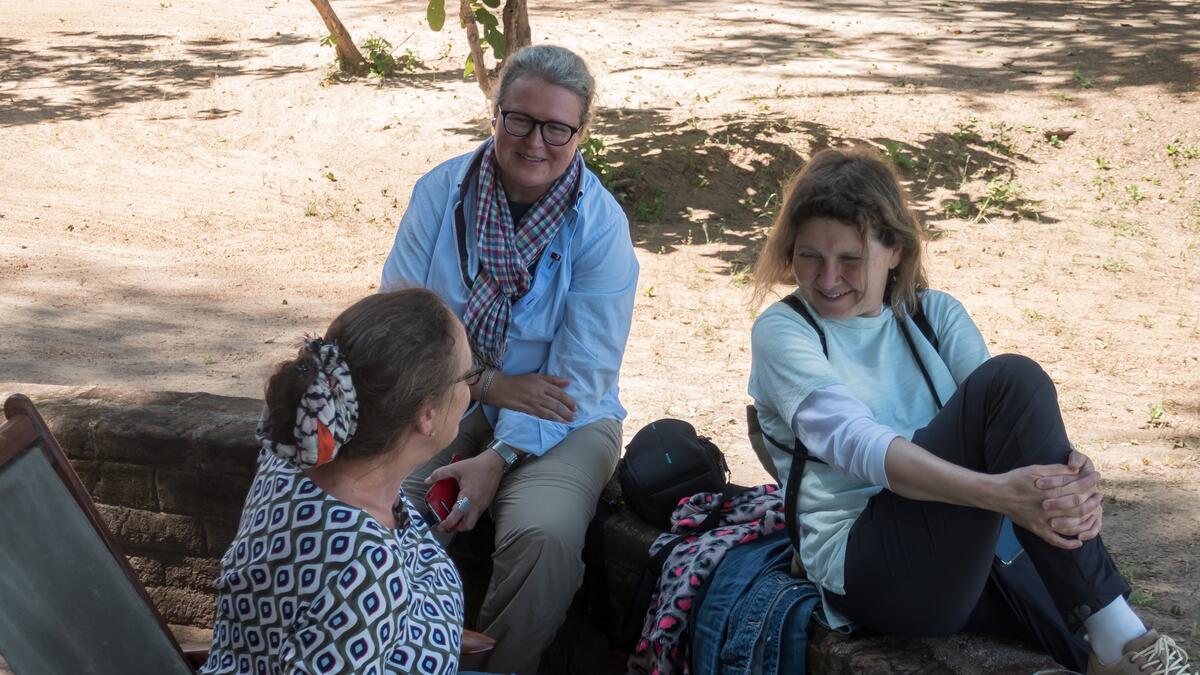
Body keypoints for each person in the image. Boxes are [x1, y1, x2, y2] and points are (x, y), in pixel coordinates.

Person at [747, 147, 1192, 674]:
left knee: (1015, 389)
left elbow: (1008, 429)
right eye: (808, 256)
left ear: (894, 250)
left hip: (971, 551)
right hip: (872, 567)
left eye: (849, 259)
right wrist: (998, 494)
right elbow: (855, 443)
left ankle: (1116, 643)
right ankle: (1120, 641)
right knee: (1010, 377)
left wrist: (1074, 477)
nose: (826, 278)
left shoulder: (935, 314)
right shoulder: (785, 329)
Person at [379, 44, 638, 674]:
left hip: (570, 413)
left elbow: (577, 378)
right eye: (519, 119)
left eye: (557, 127)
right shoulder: (443, 193)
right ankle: (394, 656)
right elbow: (399, 326)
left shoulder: (599, 226)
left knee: (543, 533)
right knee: (390, 502)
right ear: (495, 114)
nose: (534, 142)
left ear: (581, 131)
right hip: (447, 392)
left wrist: (496, 460)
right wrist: (488, 385)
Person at [202, 289, 489, 675]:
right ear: (427, 415)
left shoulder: (293, 458)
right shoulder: (364, 566)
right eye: (468, 376)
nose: (469, 390)